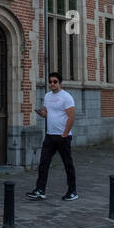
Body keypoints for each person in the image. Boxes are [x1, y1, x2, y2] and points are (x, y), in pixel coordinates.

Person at [26, 72, 78, 200]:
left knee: (68, 164)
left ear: (60, 83)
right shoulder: (47, 96)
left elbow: (71, 117)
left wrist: (65, 134)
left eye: (55, 82)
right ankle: (40, 190)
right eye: (50, 82)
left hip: (62, 136)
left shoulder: (66, 97)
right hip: (49, 136)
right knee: (43, 163)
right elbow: (46, 113)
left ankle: (72, 191)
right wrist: (41, 113)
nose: (52, 84)